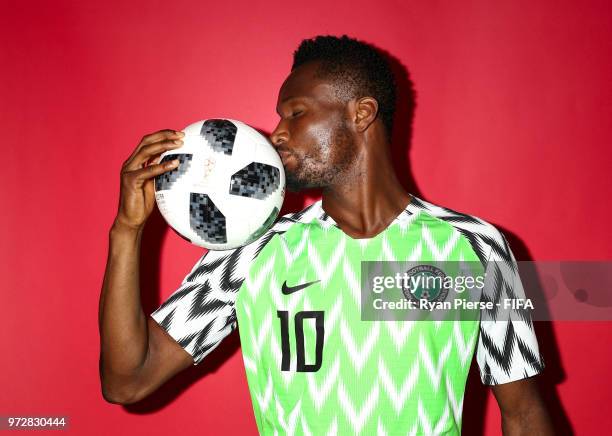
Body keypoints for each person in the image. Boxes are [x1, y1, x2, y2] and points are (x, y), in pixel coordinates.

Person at [99, 35, 553, 435]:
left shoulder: (471, 247)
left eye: (295, 113)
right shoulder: (252, 249)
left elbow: (524, 413)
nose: (276, 134)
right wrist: (127, 230)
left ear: (361, 114)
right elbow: (128, 379)